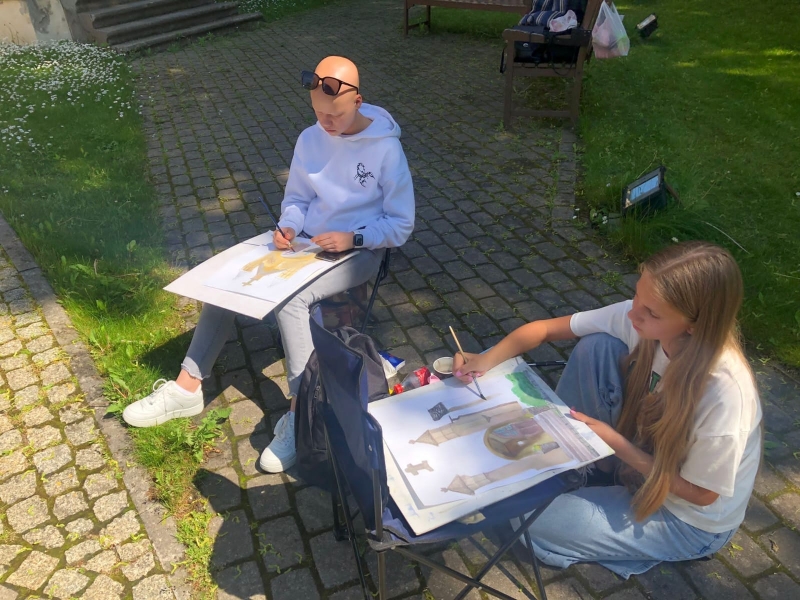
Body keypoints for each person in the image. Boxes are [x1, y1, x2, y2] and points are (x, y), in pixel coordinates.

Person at [123, 56, 415, 474]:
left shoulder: (385, 148)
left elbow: (401, 224)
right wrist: (289, 225)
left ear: (357, 101)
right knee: (227, 278)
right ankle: (187, 387)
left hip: (360, 251)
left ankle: (302, 411)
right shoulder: (310, 138)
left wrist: (353, 237)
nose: (326, 123)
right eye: (318, 113)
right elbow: (297, 199)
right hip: (306, 243)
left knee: (292, 300)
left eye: (334, 115)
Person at [453, 241, 761, 578]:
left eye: (652, 312)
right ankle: (586, 467)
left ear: (694, 325)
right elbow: (545, 329)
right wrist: (484, 360)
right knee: (598, 345)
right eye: (637, 295)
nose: (633, 314)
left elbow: (702, 495)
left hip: (686, 519)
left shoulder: (725, 393)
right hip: (642, 458)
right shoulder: (642, 319)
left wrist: (615, 444)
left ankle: (596, 480)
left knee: (527, 519)